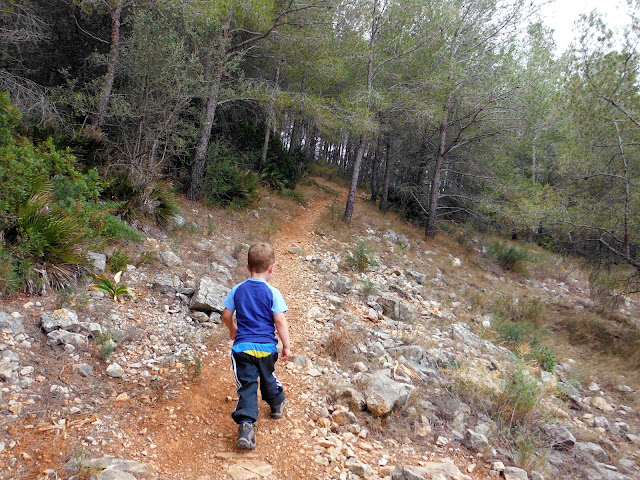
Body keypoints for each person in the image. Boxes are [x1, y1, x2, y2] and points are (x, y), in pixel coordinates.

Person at [222, 242, 291, 450]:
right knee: (268, 377)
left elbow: (226, 314)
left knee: (248, 385)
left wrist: (232, 329)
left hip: (243, 348)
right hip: (267, 348)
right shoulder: (273, 292)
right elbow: (279, 320)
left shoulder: (237, 289)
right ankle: (276, 403)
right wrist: (286, 345)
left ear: (247, 267)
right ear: (271, 268)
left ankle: (245, 426)